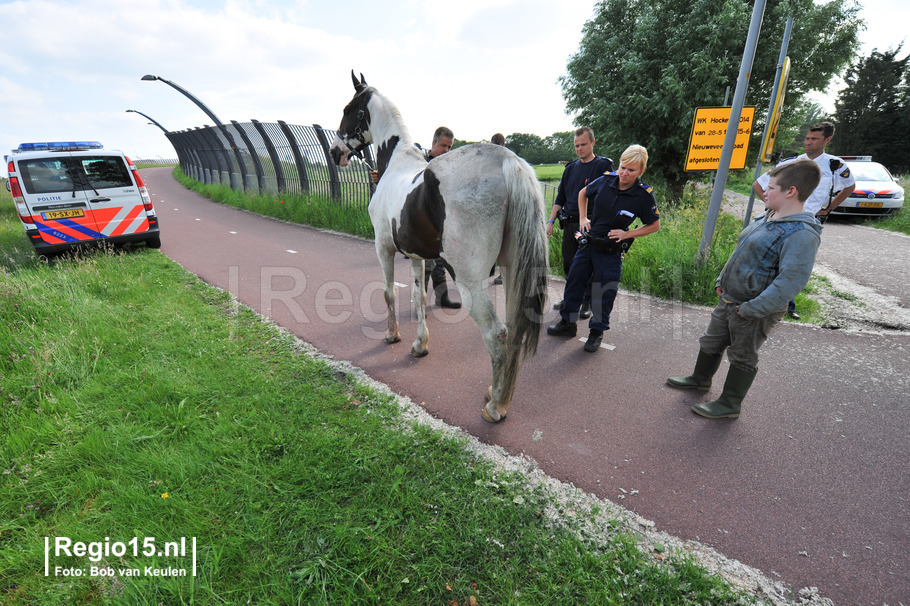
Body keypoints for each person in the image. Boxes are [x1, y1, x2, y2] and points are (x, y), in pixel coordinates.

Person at [668, 159, 823, 419]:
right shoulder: (767, 217)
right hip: (729, 299)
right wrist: (721, 280)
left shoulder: (801, 234)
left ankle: (729, 404)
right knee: (711, 341)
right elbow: (739, 253)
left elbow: (791, 281)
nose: (764, 191)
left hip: (753, 308)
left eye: (771, 187)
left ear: (790, 192)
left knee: (743, 355)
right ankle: (700, 378)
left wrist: (753, 308)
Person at [546, 144, 660, 352]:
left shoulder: (643, 196)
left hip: (610, 251)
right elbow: (583, 193)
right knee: (574, 283)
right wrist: (583, 217)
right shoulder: (606, 179)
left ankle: (596, 333)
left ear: (641, 170)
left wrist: (627, 234)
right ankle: (568, 324)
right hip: (588, 243)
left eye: (631, 170)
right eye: (623, 167)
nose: (624, 173)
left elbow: (654, 225)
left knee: (604, 292)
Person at [752, 121, 855, 319]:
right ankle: (766, 299)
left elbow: (849, 186)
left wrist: (830, 207)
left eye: (814, 139)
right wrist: (772, 205)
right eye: (807, 138)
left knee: (796, 264)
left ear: (827, 140)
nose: (808, 142)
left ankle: (786, 303)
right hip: (783, 219)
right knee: (772, 258)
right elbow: (759, 184)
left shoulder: (835, 165)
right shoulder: (791, 163)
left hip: (810, 222)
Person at [546, 127, 614, 319]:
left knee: (588, 267)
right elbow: (560, 198)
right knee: (569, 264)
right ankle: (571, 299)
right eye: (576, 145)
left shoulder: (603, 166)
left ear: (593, 142)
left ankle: (586, 302)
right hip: (569, 225)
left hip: (591, 226)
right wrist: (551, 220)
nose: (579, 148)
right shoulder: (571, 169)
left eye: (583, 144)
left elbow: (610, 196)